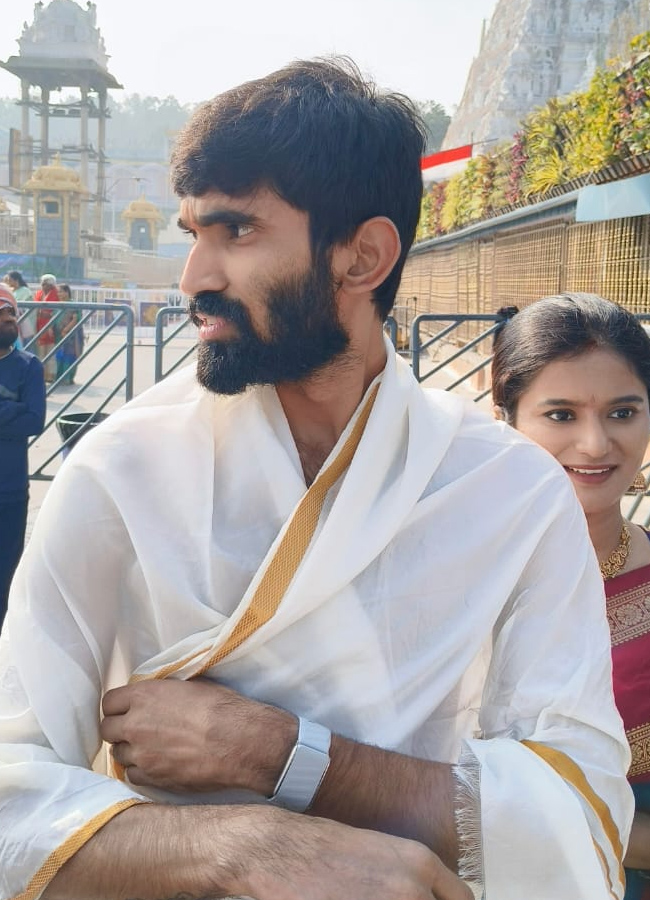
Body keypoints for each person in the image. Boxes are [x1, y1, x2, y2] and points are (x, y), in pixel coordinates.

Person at [0, 59, 633, 900]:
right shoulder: (121, 472)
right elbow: (12, 794)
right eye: (193, 233)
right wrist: (242, 848)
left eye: (236, 233)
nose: (194, 278)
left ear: (363, 256)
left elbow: (578, 814)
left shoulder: (511, 495)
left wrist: (278, 754)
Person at [491, 292, 650, 899]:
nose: (594, 444)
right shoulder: (463, 576)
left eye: (622, 412)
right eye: (560, 415)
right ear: (508, 417)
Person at [0, 284, 45, 625]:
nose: (5, 321)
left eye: (9, 315)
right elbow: (20, 416)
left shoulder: (29, 366)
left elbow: (33, 420)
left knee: (7, 574)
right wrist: (9, 410)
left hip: (10, 490)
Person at [55, 284, 83, 385]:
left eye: (61, 291)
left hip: (71, 337)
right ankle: (59, 377)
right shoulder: (57, 305)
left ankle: (68, 378)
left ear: (67, 292)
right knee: (59, 356)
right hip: (59, 336)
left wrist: (66, 330)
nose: (59, 294)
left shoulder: (73, 305)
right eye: (58, 292)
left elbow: (76, 319)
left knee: (69, 355)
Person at [33, 273, 58, 383]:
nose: (43, 286)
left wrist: (48, 316)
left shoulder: (56, 294)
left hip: (51, 326)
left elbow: (57, 311)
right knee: (40, 353)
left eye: (46, 284)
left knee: (50, 352)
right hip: (39, 325)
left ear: (51, 285)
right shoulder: (38, 294)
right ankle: (42, 375)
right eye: (42, 284)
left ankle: (51, 375)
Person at [5, 271, 36, 350]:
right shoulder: (12, 292)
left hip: (25, 322)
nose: (8, 282)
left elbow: (27, 307)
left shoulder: (25, 291)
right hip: (15, 322)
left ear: (16, 280)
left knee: (27, 346)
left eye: (10, 280)